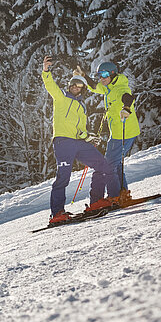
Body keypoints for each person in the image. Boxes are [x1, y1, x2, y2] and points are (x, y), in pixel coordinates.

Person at [41, 55, 122, 225]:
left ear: (83, 88)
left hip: (80, 143)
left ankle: (99, 201)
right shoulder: (61, 98)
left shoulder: (82, 106)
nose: (75, 87)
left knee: (103, 165)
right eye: (73, 84)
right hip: (63, 142)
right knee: (63, 177)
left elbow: (80, 130)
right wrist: (46, 70)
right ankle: (57, 213)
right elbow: (50, 85)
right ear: (69, 86)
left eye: (79, 85)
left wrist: (89, 137)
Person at [77, 60, 140, 203]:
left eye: (104, 75)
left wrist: (127, 108)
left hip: (124, 132)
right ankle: (122, 193)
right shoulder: (108, 87)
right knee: (115, 163)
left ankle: (115, 196)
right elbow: (94, 86)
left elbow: (128, 98)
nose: (101, 78)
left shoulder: (119, 88)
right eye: (99, 75)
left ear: (112, 74)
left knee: (109, 165)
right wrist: (84, 76)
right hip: (119, 132)